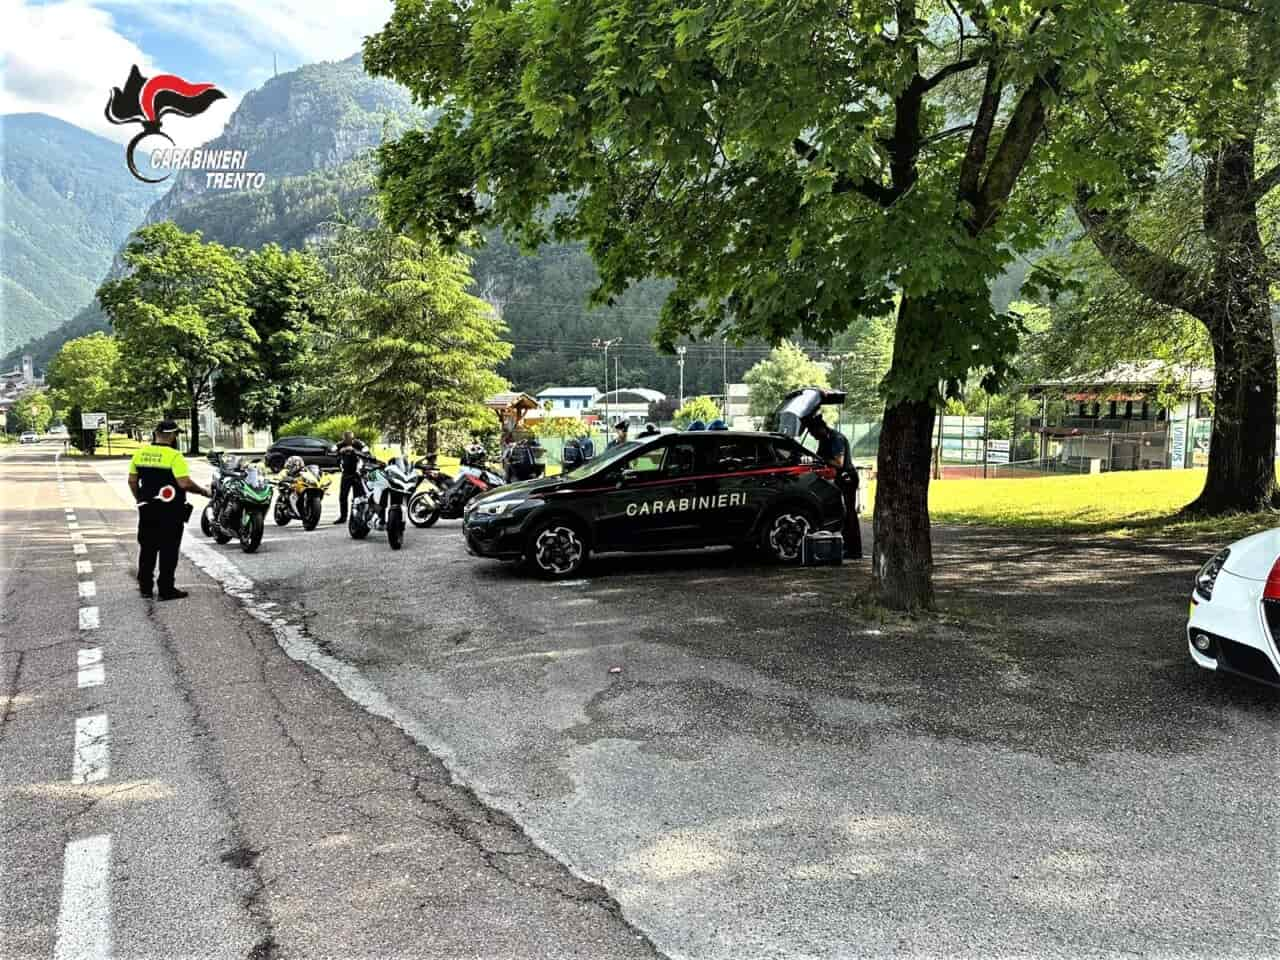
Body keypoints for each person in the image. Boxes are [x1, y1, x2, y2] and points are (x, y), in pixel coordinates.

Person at [127, 419, 209, 600]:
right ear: (172, 436)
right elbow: (184, 483)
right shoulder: (174, 456)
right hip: (171, 511)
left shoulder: (140, 454)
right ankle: (166, 589)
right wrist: (203, 491)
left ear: (155, 433)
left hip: (147, 509)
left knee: (147, 548)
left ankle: (145, 587)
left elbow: (132, 481)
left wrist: (140, 499)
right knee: (168, 549)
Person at [807, 417, 862, 560]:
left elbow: (839, 462)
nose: (813, 436)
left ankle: (854, 550)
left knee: (849, 513)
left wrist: (821, 459)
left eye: (814, 433)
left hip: (847, 478)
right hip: (840, 478)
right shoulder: (824, 439)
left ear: (821, 429)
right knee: (842, 513)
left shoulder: (836, 438)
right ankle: (846, 547)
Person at [333, 431, 366, 524]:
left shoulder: (358, 443)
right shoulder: (340, 444)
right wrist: (340, 451)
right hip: (346, 473)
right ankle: (343, 517)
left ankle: (355, 516)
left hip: (357, 473)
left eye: (349, 438)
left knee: (358, 497)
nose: (347, 440)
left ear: (353, 438)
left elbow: (367, 452)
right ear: (343, 438)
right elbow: (332, 450)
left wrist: (353, 450)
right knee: (343, 496)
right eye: (345, 438)